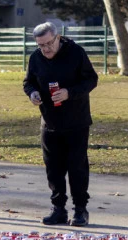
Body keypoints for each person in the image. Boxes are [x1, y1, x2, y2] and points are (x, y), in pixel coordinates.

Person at [23, 21, 98, 227]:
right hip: (49, 122)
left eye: (49, 43)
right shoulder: (36, 58)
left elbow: (91, 79)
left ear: (57, 38)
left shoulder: (76, 53)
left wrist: (69, 93)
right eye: (41, 45)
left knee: (77, 167)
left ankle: (80, 209)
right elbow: (28, 82)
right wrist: (32, 93)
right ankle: (58, 209)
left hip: (76, 121)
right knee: (53, 168)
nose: (45, 49)